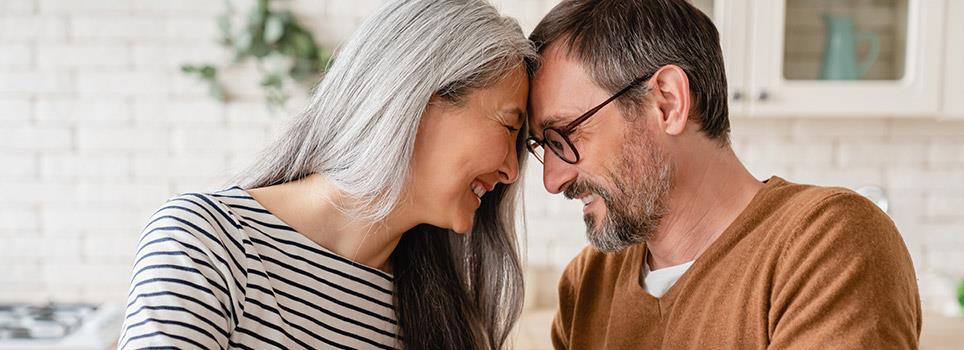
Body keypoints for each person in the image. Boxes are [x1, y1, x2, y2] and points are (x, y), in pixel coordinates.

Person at [118, 0, 535, 349]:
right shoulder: (206, 243)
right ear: (420, 99)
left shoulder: (439, 314)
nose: (511, 171)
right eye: (509, 125)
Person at [523, 0, 921, 348]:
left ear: (667, 102)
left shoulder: (827, 243)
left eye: (566, 134)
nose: (553, 179)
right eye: (544, 146)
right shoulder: (588, 282)